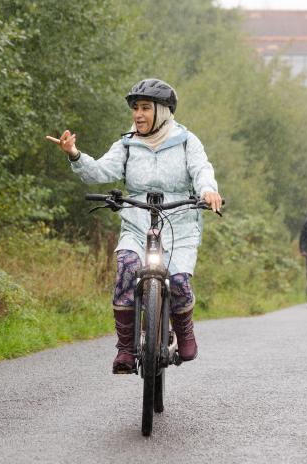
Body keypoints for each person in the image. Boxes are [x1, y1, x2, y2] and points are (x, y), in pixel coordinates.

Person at [46, 78, 222, 374]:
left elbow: (202, 169)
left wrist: (208, 191)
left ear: (163, 111)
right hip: (137, 221)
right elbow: (101, 171)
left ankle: (185, 332)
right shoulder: (126, 144)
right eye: (135, 109)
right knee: (127, 269)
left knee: (178, 280)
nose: (138, 115)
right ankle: (125, 349)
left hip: (180, 221)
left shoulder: (187, 141)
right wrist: (74, 154)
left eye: (145, 108)